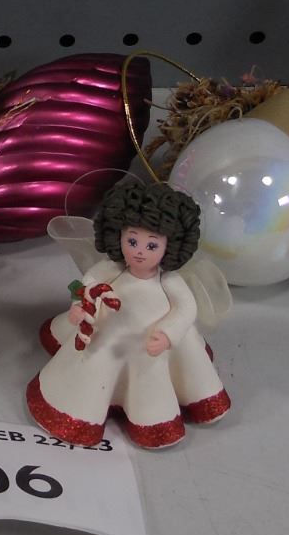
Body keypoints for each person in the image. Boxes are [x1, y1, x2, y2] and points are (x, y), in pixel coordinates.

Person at [27, 180, 230, 449]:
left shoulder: (168, 281)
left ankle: (151, 418)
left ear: (170, 246)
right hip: (110, 333)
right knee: (95, 366)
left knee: (149, 376)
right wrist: (80, 304)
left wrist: (168, 334)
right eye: (132, 241)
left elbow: (186, 308)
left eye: (152, 246)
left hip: (149, 342)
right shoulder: (112, 268)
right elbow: (88, 284)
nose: (139, 252)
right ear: (117, 234)